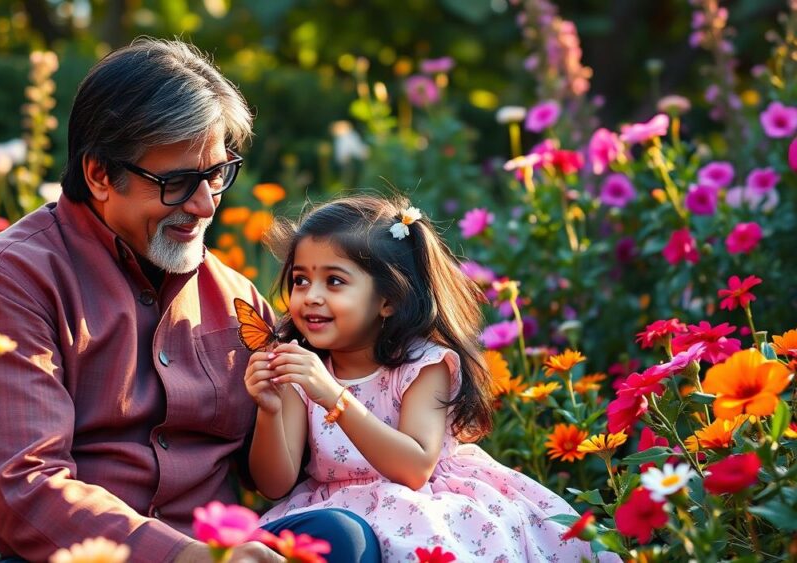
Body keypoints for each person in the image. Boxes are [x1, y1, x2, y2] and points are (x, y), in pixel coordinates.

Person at [0, 38, 379, 562]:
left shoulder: (236, 298)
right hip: (50, 554)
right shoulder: (11, 280)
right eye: (179, 182)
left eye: (218, 175)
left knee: (346, 537)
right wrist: (187, 558)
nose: (206, 205)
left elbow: (277, 471)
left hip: (222, 552)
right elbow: (24, 488)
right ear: (98, 174)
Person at [244, 195, 618, 561]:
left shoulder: (423, 364)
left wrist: (334, 397)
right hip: (332, 507)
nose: (310, 296)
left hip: (422, 503)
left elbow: (414, 467)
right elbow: (274, 484)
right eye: (300, 280)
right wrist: (269, 410)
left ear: (387, 300)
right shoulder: (301, 368)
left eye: (335, 281)